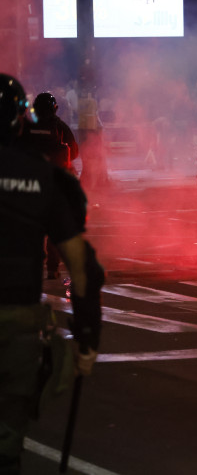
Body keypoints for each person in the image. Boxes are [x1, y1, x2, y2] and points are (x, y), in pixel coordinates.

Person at [0, 74, 102, 474]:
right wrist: (88, 338)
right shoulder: (44, 179)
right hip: (17, 328)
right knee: (8, 442)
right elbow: (81, 266)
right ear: (18, 119)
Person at [16, 92, 80, 280]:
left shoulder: (28, 128)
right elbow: (74, 152)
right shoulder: (60, 127)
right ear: (54, 108)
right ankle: (52, 268)